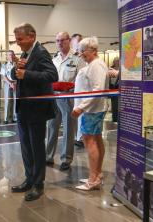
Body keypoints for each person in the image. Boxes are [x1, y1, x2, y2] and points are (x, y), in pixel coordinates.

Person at [10, 23, 58, 201]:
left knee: (37, 148)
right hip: (23, 109)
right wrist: (17, 71)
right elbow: (18, 74)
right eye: (16, 40)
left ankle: (38, 184)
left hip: (37, 111)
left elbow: (53, 75)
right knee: (26, 148)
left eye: (20, 39)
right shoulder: (25, 53)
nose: (18, 43)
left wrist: (27, 74)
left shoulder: (41, 52)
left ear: (32, 36)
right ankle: (29, 179)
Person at [72, 36, 109, 191]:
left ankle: (93, 178)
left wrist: (81, 107)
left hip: (92, 110)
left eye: (83, 51)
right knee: (96, 139)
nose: (81, 54)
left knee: (90, 142)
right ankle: (97, 174)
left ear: (93, 50)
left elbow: (97, 90)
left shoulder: (96, 65)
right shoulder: (96, 64)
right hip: (93, 109)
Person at [45, 32, 86, 171]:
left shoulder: (77, 59)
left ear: (69, 41)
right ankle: (48, 156)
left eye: (62, 40)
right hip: (54, 96)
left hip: (69, 97)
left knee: (69, 128)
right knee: (51, 126)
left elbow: (81, 79)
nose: (60, 43)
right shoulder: (54, 59)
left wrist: (71, 89)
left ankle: (66, 159)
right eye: (57, 40)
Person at [71, 33, 85, 149]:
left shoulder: (83, 56)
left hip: (83, 90)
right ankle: (76, 137)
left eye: (81, 40)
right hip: (71, 90)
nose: (79, 42)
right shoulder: (71, 56)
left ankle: (80, 138)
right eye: (77, 41)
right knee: (74, 116)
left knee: (82, 115)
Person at [0, 50, 17, 124]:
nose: (11, 56)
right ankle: (6, 118)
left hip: (16, 84)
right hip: (7, 83)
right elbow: (3, 76)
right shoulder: (4, 65)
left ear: (14, 55)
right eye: (9, 55)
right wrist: (10, 83)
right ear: (7, 56)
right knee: (7, 101)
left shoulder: (17, 65)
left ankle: (14, 117)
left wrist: (15, 83)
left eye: (12, 55)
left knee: (16, 101)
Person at [108, 57, 120, 122]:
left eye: (118, 61)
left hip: (119, 88)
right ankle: (114, 118)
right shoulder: (110, 69)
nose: (117, 62)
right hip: (112, 88)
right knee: (114, 105)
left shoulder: (121, 69)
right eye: (116, 61)